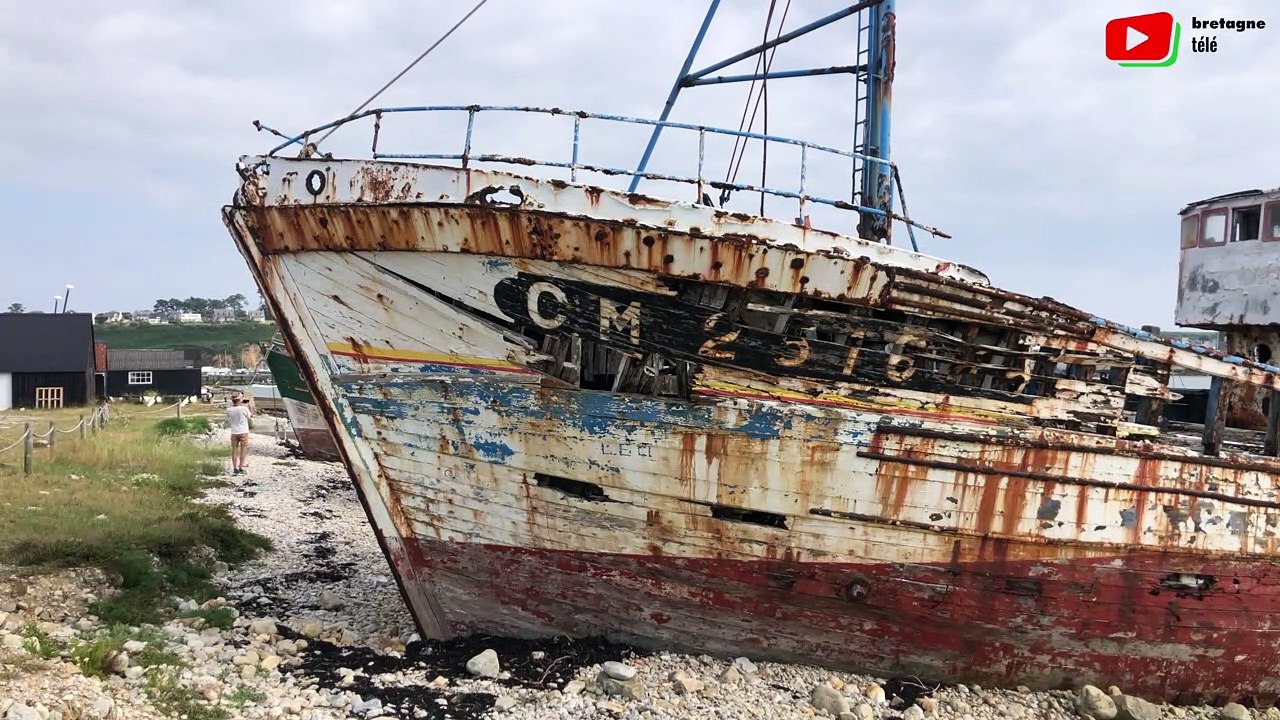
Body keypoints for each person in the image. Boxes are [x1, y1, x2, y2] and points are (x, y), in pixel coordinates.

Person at [226, 395, 252, 474]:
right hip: (243, 431)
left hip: (234, 432)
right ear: (239, 400)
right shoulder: (244, 409)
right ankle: (240, 467)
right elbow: (250, 416)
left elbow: (229, 417)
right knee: (243, 450)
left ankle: (234, 468)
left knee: (234, 450)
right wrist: (250, 407)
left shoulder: (229, 410)